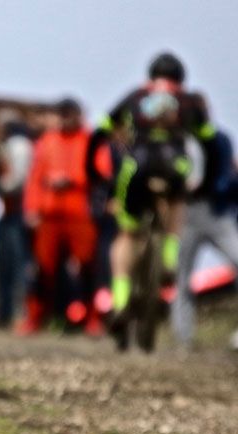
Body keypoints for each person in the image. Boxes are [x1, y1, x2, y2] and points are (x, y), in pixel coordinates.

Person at [88, 52, 215, 332]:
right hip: (174, 164)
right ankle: (169, 257)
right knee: (177, 203)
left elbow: (99, 132)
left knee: (126, 235)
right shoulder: (189, 101)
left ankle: (120, 300)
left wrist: (96, 177)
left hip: (137, 166)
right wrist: (206, 183)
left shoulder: (135, 96)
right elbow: (210, 142)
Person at [20, 98, 111, 335]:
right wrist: (32, 209)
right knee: (42, 268)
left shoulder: (91, 141)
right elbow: (35, 178)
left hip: (80, 214)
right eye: (62, 114)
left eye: (70, 114)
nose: (65, 119)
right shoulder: (47, 141)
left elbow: (102, 173)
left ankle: (92, 318)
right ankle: (35, 318)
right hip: (49, 216)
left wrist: (72, 180)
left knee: (87, 266)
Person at [171, 128, 238, 348]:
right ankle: (182, 337)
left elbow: (228, 178)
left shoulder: (220, 140)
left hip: (218, 213)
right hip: (188, 214)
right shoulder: (176, 143)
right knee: (182, 276)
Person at [0, 112, 34, 327]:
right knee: (10, 264)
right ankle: (8, 313)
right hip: (11, 212)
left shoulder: (18, 146)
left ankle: (17, 313)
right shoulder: (21, 145)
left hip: (16, 211)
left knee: (15, 264)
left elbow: (17, 180)